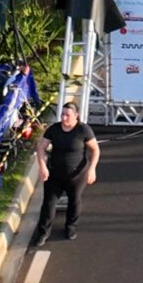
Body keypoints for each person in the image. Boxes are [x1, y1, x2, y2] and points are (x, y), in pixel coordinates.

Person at [29, 101, 98, 247]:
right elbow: (41, 148)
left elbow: (95, 150)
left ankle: (70, 227)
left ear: (76, 116)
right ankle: (43, 233)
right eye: (62, 114)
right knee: (49, 203)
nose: (64, 118)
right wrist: (42, 167)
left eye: (68, 115)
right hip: (54, 174)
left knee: (74, 200)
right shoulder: (54, 129)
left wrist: (92, 169)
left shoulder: (83, 130)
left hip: (76, 176)